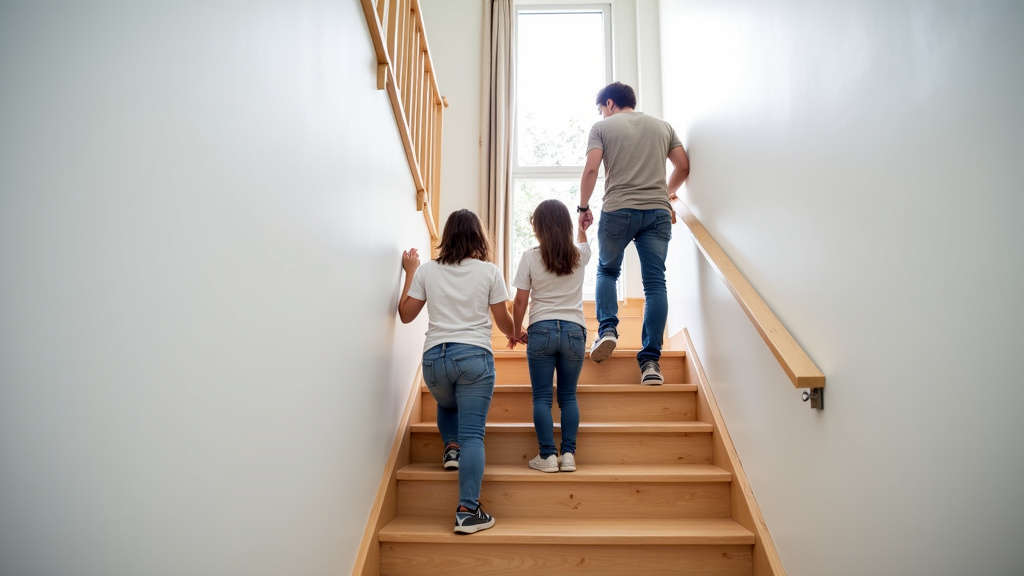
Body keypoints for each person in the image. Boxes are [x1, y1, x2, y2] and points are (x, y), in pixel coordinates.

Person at [398, 209, 517, 535]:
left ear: (447, 236)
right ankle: (467, 510)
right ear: (478, 237)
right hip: (474, 358)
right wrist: (514, 333)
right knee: (473, 436)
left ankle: (451, 448)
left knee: (447, 403)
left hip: (435, 360)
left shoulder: (427, 271)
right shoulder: (489, 272)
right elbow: (503, 321)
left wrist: (409, 272)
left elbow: (405, 314)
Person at [577, 81, 690, 385]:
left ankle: (608, 330)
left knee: (607, 271)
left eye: (602, 109)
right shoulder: (663, 127)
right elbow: (682, 165)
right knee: (655, 284)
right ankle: (651, 362)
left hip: (618, 211)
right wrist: (665, 194)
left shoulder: (603, 128)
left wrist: (582, 208)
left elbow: (590, 170)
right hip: (656, 213)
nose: (603, 115)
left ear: (610, 103)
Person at [512, 200, 592, 474]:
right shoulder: (580, 255)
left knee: (542, 398)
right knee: (568, 396)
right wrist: (582, 229)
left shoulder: (530, 256)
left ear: (538, 227)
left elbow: (520, 302)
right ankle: (568, 455)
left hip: (541, 330)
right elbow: (584, 244)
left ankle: (547, 456)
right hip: (573, 331)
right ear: (566, 225)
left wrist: (514, 331)